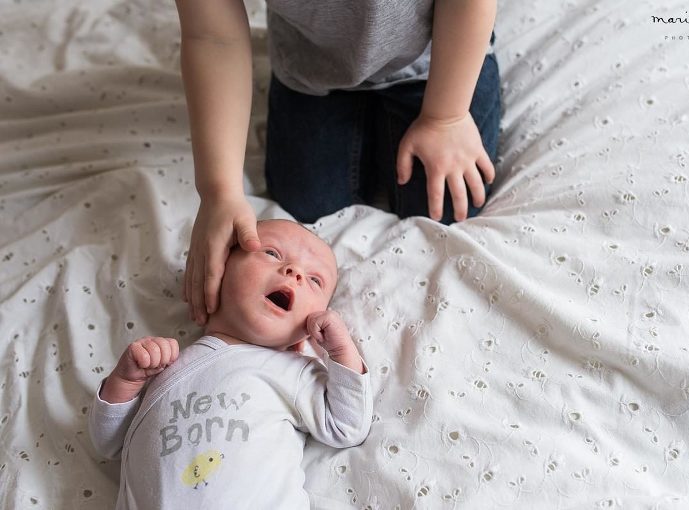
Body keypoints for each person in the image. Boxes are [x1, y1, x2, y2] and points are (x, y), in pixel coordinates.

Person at [176, 0, 502, 327]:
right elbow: (212, 35)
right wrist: (220, 192)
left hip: (436, 56)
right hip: (314, 66)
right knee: (308, 204)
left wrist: (445, 117)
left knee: (445, 205)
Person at [89, 219, 373, 509]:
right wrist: (125, 382)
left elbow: (346, 426)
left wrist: (340, 352)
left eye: (315, 280)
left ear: (306, 332)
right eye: (272, 253)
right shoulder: (165, 365)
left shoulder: (293, 372)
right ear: (216, 274)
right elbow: (109, 444)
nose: (295, 273)